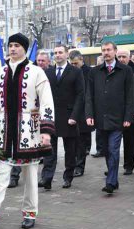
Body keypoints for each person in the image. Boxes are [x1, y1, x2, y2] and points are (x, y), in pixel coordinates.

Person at [0, 33, 55, 229]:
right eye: (11, 45)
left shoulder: (36, 72)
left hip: (29, 132)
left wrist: (46, 131)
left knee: (31, 177)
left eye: (17, 45)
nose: (13, 49)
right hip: (4, 133)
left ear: (24, 48)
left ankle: (30, 213)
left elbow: (47, 103)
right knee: (0, 177)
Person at [85, 41, 134, 194]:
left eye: (108, 50)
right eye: (103, 50)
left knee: (113, 149)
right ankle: (113, 178)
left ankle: (111, 182)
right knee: (106, 151)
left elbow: (130, 96)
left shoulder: (125, 70)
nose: (106, 52)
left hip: (118, 118)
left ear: (115, 51)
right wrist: (89, 114)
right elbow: (89, 95)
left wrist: (128, 116)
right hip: (100, 118)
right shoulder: (95, 72)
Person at [39, 44, 84, 190]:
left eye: (60, 52)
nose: (57, 55)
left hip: (69, 116)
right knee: (49, 149)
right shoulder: (48, 72)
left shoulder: (75, 72)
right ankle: (47, 178)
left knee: (69, 150)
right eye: (55, 53)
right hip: (51, 116)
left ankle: (68, 177)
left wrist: (75, 116)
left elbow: (80, 95)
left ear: (66, 55)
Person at [8, 50, 52, 188]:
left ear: (48, 62)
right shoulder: (28, 72)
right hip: (28, 114)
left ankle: (44, 177)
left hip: (40, 115)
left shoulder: (48, 74)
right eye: (38, 60)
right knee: (18, 144)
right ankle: (14, 176)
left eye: (43, 61)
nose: (40, 63)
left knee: (39, 148)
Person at [69, 50, 94, 177]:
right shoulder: (69, 72)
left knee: (81, 142)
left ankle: (80, 166)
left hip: (84, 111)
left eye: (76, 63)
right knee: (72, 142)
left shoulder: (89, 72)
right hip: (72, 110)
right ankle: (72, 166)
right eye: (72, 63)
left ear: (81, 60)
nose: (73, 66)